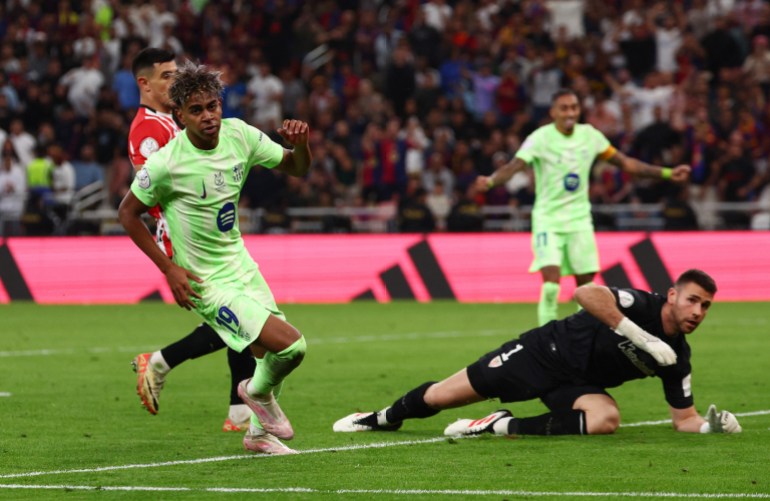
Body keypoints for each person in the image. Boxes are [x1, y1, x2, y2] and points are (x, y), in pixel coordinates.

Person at [120, 60, 312, 455]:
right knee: (292, 347)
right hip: (206, 282)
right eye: (196, 110)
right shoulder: (166, 163)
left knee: (265, 353)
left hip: (242, 265)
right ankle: (253, 396)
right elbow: (127, 213)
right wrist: (170, 269)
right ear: (179, 115)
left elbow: (295, 168)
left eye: (213, 106)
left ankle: (258, 434)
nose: (208, 116)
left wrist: (302, 144)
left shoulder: (239, 134)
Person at [334, 269, 742, 438]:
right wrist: (640, 336)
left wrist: (711, 426)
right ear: (673, 295)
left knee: (606, 419)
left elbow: (683, 418)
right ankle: (379, 419)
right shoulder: (642, 305)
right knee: (441, 396)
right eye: (692, 300)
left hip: (577, 384)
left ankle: (499, 425)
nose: (698, 311)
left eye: (705, 306)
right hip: (542, 352)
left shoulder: (677, 355)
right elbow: (585, 293)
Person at [475, 89, 691, 326]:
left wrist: (668, 173)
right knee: (550, 285)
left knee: (587, 287)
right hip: (548, 219)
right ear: (553, 112)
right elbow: (514, 165)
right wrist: (492, 180)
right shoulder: (540, 138)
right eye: (564, 108)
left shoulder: (590, 136)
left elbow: (625, 163)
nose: (570, 113)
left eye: (574, 108)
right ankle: (546, 341)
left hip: (579, 220)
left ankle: (581, 336)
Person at [127, 48, 258, 434]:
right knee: (238, 316)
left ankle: (239, 411)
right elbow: (149, 192)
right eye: (166, 77)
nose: (174, 82)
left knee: (240, 311)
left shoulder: (169, 122)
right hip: (185, 239)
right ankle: (160, 361)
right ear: (144, 83)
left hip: (207, 235)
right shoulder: (149, 130)